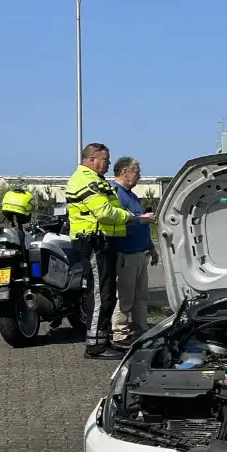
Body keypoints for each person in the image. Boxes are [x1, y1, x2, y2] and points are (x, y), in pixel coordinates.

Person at [65, 143, 154, 359]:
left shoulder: (97, 180)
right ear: (92, 159)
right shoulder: (86, 180)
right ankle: (95, 346)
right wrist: (133, 218)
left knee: (106, 295)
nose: (108, 164)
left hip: (104, 242)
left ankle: (103, 341)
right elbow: (104, 211)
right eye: (105, 160)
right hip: (94, 241)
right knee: (99, 295)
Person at [109, 156, 158, 348]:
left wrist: (151, 247)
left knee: (141, 296)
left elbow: (141, 223)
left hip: (140, 253)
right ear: (124, 172)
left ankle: (141, 329)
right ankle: (120, 332)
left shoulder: (132, 196)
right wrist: (141, 219)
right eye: (137, 172)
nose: (139, 176)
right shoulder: (115, 194)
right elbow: (120, 219)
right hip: (126, 253)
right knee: (125, 296)